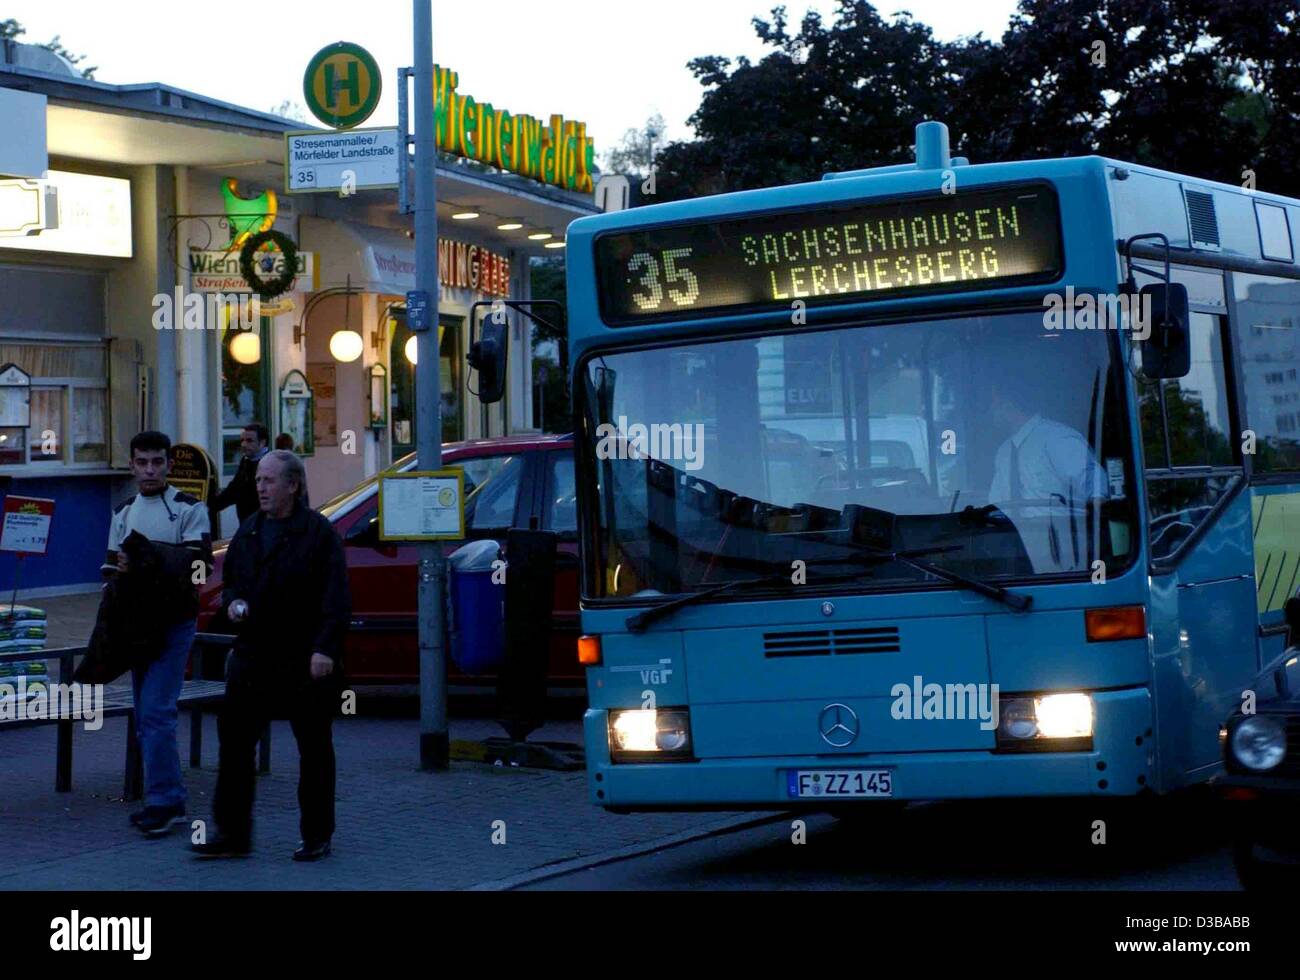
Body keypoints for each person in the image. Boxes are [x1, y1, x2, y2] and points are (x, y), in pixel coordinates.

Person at [194, 450, 350, 861]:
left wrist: (324, 649)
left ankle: (317, 834)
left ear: (293, 486)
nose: (260, 487)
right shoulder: (248, 531)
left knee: (314, 747)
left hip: (303, 657)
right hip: (253, 654)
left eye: (268, 481)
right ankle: (232, 833)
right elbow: (231, 585)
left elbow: (336, 599)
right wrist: (232, 605)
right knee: (234, 743)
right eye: (258, 480)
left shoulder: (318, 534)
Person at [104, 431, 213, 837]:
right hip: (135, 628)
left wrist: (149, 561)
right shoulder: (122, 512)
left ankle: (166, 802)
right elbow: (110, 572)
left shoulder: (188, 508)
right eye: (142, 462)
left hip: (172, 624)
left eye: (157, 462)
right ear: (131, 465)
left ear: (169, 464)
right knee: (146, 715)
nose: (150, 469)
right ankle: (164, 799)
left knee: (156, 713)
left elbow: (201, 568)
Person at [987, 379, 1108, 573]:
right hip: (1020, 548)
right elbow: (997, 504)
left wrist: (1086, 532)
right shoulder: (1004, 452)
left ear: (1007, 403)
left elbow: (1096, 488)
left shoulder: (1057, 438)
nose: (990, 410)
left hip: (1065, 548)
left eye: (993, 403)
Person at [213, 423, 269, 525]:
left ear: (262, 442)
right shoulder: (246, 460)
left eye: (249, 441)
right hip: (246, 525)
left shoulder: (271, 463)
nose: (243, 444)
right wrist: (209, 506)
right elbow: (234, 489)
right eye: (242, 440)